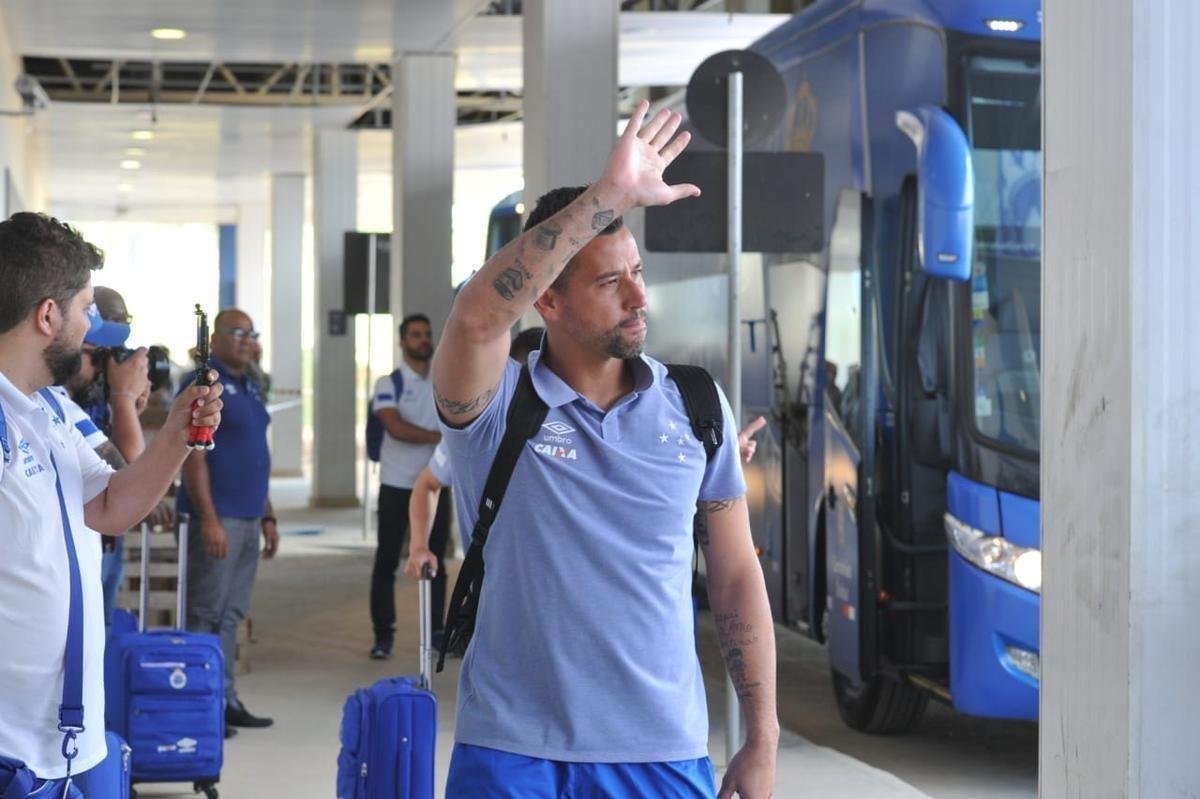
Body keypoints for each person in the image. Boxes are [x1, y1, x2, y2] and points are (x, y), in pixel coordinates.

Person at [431, 102, 778, 799]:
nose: (638, 296)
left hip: (661, 750)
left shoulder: (696, 405)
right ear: (548, 302)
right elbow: (476, 316)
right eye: (608, 282)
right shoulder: (496, 409)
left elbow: (737, 573)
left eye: (637, 271)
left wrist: (762, 737)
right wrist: (606, 197)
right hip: (512, 752)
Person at [0, 212, 223, 793]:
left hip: (66, 743)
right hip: (9, 746)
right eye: (84, 308)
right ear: (49, 315)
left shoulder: (46, 409)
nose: (89, 325)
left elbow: (108, 506)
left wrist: (176, 432)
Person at [177, 308, 278, 731]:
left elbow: (256, 455)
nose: (244, 339)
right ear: (214, 339)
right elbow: (194, 455)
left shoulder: (248, 384)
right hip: (218, 519)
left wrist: (268, 516)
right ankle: (199, 704)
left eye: (250, 333)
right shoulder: (205, 382)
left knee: (232, 614)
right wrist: (209, 519)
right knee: (205, 612)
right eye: (235, 332)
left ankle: (225, 699)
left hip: (249, 516)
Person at [63, 286, 172, 627]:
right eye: (96, 354)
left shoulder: (94, 394)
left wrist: (125, 408)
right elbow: (127, 466)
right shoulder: (53, 401)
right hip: (78, 538)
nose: (105, 366)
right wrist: (123, 398)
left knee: (101, 632)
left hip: (108, 539)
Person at [404, 326, 546, 581]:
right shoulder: (478, 433)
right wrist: (419, 547)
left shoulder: (579, 428)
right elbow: (427, 484)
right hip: (492, 582)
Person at [369, 313, 449, 659]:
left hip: (436, 484)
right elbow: (396, 427)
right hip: (396, 484)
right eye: (415, 335)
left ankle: (436, 632)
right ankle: (383, 636)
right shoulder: (389, 383)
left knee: (437, 560)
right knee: (387, 560)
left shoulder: (443, 379)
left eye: (426, 334)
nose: (422, 340)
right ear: (402, 341)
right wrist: (442, 438)